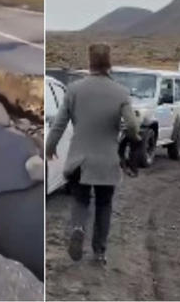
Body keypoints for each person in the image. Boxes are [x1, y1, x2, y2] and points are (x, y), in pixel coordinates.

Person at [46, 43, 140, 265]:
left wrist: (49, 148)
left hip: (80, 160)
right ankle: (99, 252)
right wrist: (132, 140)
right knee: (104, 204)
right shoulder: (121, 92)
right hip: (107, 160)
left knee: (80, 200)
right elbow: (133, 125)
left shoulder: (75, 90)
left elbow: (58, 125)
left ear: (90, 63)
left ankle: (78, 228)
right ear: (109, 64)